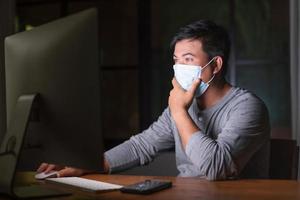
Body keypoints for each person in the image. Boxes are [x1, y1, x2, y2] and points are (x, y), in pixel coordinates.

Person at [37, 20, 270, 180]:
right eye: (176, 60)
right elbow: (143, 145)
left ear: (216, 64)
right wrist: (91, 164)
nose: (179, 68)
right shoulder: (182, 103)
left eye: (188, 59)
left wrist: (179, 112)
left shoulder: (247, 107)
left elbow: (216, 168)